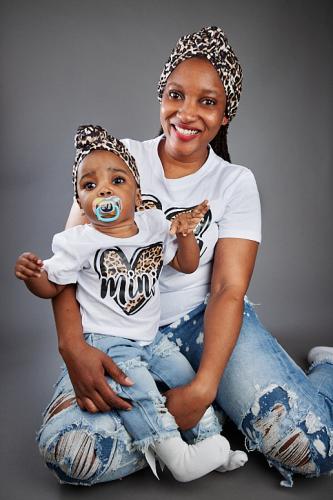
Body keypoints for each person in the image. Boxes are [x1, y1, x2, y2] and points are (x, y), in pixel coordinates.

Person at [34, 27, 333, 487]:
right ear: (161, 95)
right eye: (177, 95)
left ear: (225, 113)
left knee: (314, 451)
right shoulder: (114, 161)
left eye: (207, 102)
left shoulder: (234, 182)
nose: (187, 113)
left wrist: (205, 385)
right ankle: (207, 422)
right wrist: (73, 347)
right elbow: (68, 262)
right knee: (71, 455)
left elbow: (228, 289)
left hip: (203, 322)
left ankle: (323, 369)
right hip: (116, 335)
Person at [15, 124, 248, 483]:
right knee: (140, 394)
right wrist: (34, 276)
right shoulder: (77, 241)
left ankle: (210, 442)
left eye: (117, 181)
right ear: (80, 202)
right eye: (89, 185)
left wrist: (184, 234)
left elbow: (185, 265)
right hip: (108, 343)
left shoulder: (154, 224)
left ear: (138, 194)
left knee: (186, 380)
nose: (104, 189)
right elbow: (52, 285)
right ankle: (178, 457)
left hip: (150, 336)